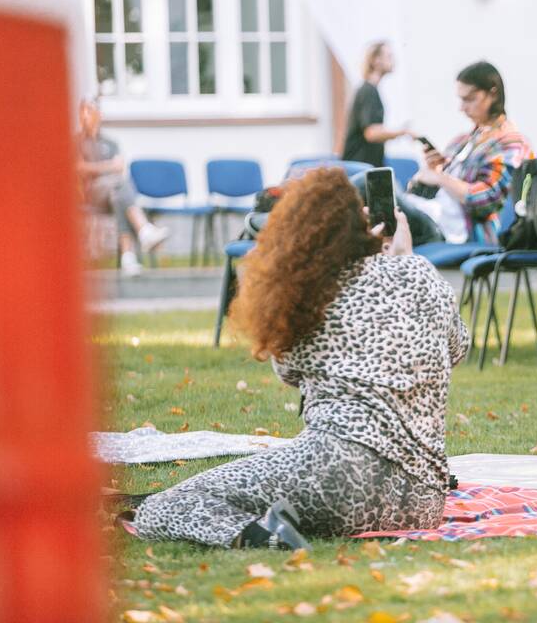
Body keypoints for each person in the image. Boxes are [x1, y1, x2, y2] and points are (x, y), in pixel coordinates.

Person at [126, 168, 469, 548]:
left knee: (161, 507)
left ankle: (261, 538)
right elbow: (456, 349)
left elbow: (288, 371)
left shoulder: (313, 294)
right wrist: (404, 260)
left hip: (335, 477)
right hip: (421, 500)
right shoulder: (421, 274)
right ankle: (272, 525)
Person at [404, 61, 533, 244]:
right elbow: (430, 191)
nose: (462, 107)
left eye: (469, 99)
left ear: (493, 94)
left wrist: (441, 179)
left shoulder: (511, 143)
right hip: (437, 217)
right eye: (460, 99)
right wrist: (436, 171)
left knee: (374, 197)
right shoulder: (462, 142)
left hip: (468, 232)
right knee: (378, 198)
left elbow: (486, 201)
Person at [76, 99, 169, 276]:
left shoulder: (111, 143)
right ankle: (144, 230)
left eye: (91, 111)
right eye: (84, 112)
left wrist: (100, 168)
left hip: (111, 194)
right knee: (120, 183)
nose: (87, 116)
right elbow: (79, 168)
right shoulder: (76, 142)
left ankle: (128, 257)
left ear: (99, 115)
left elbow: (120, 166)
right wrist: (108, 166)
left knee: (119, 195)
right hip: (89, 195)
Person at [339, 41, 414, 166]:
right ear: (376, 60)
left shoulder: (370, 90)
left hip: (367, 166)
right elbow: (371, 133)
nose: (393, 61)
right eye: (389, 56)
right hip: (360, 168)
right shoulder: (368, 91)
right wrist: (403, 132)